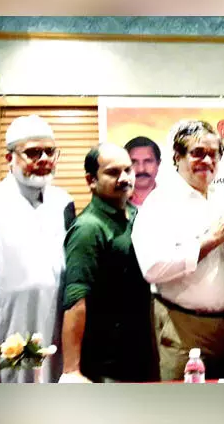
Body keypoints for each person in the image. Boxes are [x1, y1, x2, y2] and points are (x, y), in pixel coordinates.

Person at [0, 115, 74, 383]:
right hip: (4, 331)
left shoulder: (63, 202)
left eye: (50, 152)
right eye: (33, 152)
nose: (44, 159)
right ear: (9, 158)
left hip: (53, 326)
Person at [134, 121, 224, 381]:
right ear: (177, 157)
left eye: (213, 154)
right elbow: (153, 268)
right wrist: (213, 239)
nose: (206, 160)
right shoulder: (160, 203)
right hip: (182, 328)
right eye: (197, 153)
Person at [60, 143, 157, 383]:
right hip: (106, 365)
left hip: (141, 355)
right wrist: (72, 370)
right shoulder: (88, 229)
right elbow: (76, 298)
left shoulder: (138, 216)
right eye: (113, 172)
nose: (124, 178)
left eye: (128, 170)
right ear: (91, 180)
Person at [124, 136, 161, 207]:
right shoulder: (112, 201)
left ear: (158, 163)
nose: (141, 169)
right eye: (133, 162)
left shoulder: (173, 200)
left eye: (148, 161)